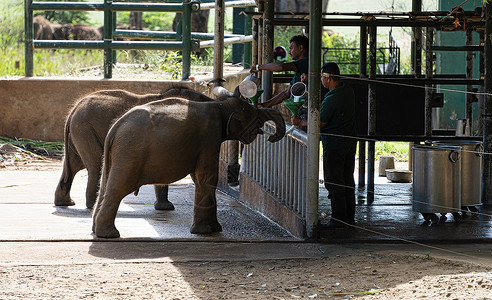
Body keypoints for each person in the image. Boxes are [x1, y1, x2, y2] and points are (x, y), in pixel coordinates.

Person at [291, 62, 357, 228]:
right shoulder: (347, 90)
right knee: (347, 179)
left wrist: (300, 122)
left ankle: (338, 219)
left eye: (321, 77)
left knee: (333, 182)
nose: (320, 80)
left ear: (328, 78)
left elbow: (319, 122)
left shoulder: (332, 98)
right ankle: (349, 217)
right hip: (349, 142)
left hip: (334, 145)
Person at [249, 35, 309, 109]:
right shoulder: (298, 69)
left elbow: (281, 67)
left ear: (301, 48)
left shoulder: (306, 62)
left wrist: (259, 67)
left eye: (291, 48)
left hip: (306, 110)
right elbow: (286, 93)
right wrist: (264, 105)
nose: (289, 52)